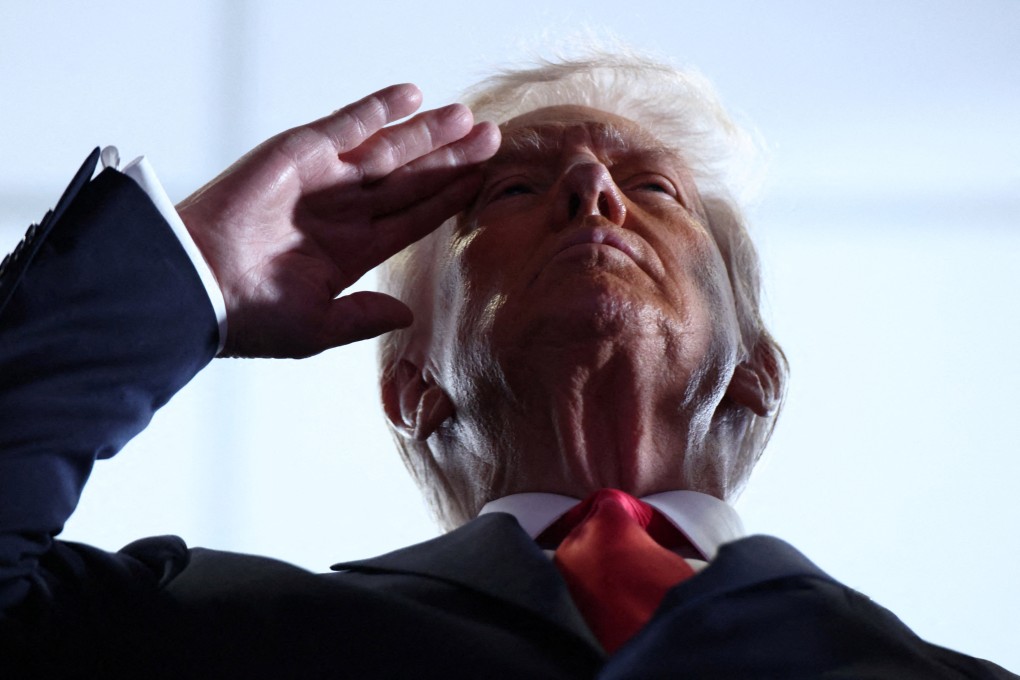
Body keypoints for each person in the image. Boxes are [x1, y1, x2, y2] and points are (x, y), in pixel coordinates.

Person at [0, 54, 1013, 678]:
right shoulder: (199, 631)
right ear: (413, 384)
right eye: (516, 189)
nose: (590, 188)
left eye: (651, 184)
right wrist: (193, 276)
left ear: (756, 375)